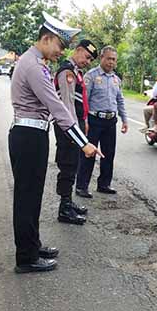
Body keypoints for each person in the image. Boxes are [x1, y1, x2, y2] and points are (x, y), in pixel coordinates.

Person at [10, 13, 102, 274]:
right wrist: (84, 143)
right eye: (60, 46)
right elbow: (58, 108)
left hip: (31, 135)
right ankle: (26, 257)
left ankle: (32, 245)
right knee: (27, 199)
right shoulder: (33, 66)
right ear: (47, 38)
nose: (62, 52)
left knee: (32, 196)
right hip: (28, 137)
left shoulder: (33, 62)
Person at [54, 39, 98, 226]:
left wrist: (85, 121)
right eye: (87, 57)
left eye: (90, 60)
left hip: (76, 124)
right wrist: (76, 132)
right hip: (68, 126)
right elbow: (66, 106)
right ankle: (64, 209)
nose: (87, 61)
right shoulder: (67, 72)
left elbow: (81, 102)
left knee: (73, 164)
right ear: (78, 50)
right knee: (67, 164)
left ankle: (68, 202)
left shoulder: (77, 73)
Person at [75, 46, 128, 197]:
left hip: (110, 121)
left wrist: (124, 119)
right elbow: (84, 101)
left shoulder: (116, 79)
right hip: (94, 121)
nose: (112, 62)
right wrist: (84, 120)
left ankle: (104, 184)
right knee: (88, 153)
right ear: (101, 58)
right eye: (109, 58)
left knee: (108, 154)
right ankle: (82, 186)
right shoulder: (91, 76)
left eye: (114, 60)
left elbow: (120, 100)